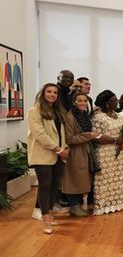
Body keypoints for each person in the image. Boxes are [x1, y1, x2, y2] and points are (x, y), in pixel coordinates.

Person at [28, 83, 70, 234]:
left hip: (59, 154)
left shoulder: (58, 111)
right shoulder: (34, 110)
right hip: (43, 154)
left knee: (55, 186)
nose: (52, 94)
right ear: (43, 93)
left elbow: (61, 133)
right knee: (45, 185)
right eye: (49, 92)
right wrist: (58, 150)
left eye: (55, 93)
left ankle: (50, 213)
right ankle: (45, 218)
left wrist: (65, 148)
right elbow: (40, 134)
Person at [92, 90, 123, 215]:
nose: (117, 102)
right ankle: (104, 205)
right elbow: (96, 137)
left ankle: (119, 201)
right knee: (105, 179)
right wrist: (114, 140)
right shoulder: (98, 117)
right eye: (114, 100)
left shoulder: (119, 115)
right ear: (107, 103)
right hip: (105, 152)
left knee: (119, 178)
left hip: (120, 152)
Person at [63, 93, 99, 217]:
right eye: (80, 100)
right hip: (76, 152)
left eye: (85, 101)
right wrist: (89, 135)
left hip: (86, 150)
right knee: (74, 179)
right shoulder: (70, 117)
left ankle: (77, 205)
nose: (83, 103)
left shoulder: (84, 115)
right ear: (74, 102)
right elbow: (70, 138)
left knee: (82, 178)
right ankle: (74, 206)